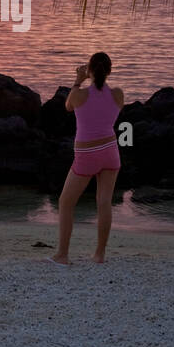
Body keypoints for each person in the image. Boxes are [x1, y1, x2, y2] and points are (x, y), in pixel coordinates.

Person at [49, 51, 122, 265]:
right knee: (104, 202)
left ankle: (62, 255)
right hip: (110, 151)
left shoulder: (79, 95)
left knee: (66, 202)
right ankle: (99, 254)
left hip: (87, 154)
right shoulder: (118, 94)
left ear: (90, 71)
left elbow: (68, 107)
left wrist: (77, 81)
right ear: (109, 71)